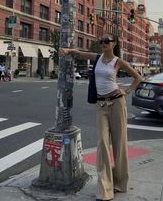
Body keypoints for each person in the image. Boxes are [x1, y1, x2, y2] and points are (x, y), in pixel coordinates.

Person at [59, 34, 142, 201]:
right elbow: (81, 53)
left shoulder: (118, 62)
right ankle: (105, 189)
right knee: (103, 144)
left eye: (107, 41)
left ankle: (119, 182)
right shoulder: (97, 58)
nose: (103, 44)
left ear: (114, 44)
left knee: (119, 144)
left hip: (117, 104)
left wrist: (126, 91)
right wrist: (69, 51)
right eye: (101, 41)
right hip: (100, 106)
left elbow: (138, 77)